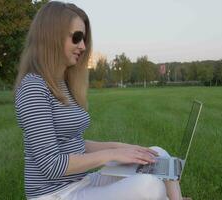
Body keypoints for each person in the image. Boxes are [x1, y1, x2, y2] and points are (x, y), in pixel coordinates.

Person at [14, 2, 183, 200]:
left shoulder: (62, 83)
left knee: (158, 155)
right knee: (148, 187)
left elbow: (74, 143)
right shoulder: (33, 87)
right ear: (51, 36)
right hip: (55, 194)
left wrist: (120, 147)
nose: (83, 46)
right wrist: (111, 155)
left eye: (84, 39)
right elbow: (51, 165)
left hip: (81, 183)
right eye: (76, 38)